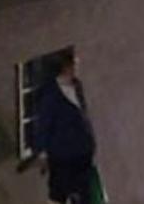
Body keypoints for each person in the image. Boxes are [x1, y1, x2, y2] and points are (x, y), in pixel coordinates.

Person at [34, 51, 101, 204]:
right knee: (59, 192)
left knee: (84, 192)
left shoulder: (77, 85)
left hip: (82, 151)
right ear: (66, 67)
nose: (77, 68)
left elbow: (82, 112)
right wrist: (42, 153)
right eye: (74, 65)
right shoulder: (50, 94)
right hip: (62, 154)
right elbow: (43, 123)